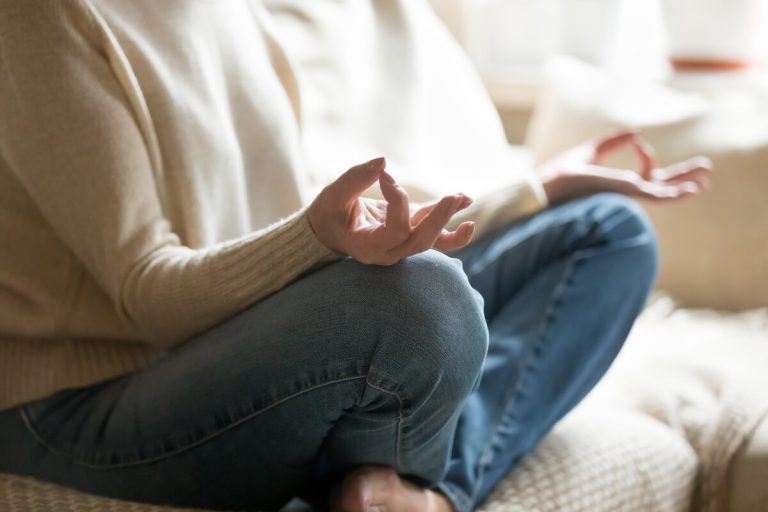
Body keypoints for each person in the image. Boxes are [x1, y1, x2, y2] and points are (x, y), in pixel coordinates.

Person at [0, 1, 711, 511]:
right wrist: (315, 239)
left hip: (236, 342)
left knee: (608, 230)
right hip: (87, 401)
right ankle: (413, 481)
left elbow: (298, 217)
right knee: (423, 301)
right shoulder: (43, 18)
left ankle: (408, 493)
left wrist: (539, 187)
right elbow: (146, 291)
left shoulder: (229, 12)